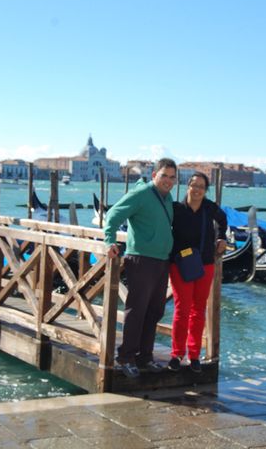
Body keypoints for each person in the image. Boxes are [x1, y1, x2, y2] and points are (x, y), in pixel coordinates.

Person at [104, 158, 177, 378]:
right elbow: (113, 215)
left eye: (172, 177)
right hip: (141, 259)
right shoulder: (142, 194)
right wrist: (109, 241)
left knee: (155, 311)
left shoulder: (168, 198)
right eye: (164, 175)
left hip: (161, 260)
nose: (168, 180)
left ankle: (145, 357)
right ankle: (126, 357)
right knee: (136, 311)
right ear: (154, 174)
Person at [167, 172, 227, 373]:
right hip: (179, 265)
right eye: (194, 185)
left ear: (205, 190)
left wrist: (222, 238)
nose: (197, 189)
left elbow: (223, 220)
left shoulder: (210, 208)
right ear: (187, 187)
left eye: (201, 186)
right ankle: (176, 354)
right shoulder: (176, 209)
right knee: (181, 310)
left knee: (198, 310)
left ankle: (194, 355)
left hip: (205, 265)